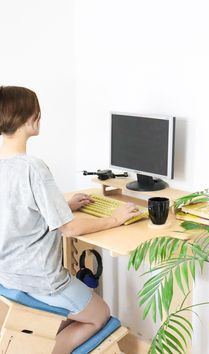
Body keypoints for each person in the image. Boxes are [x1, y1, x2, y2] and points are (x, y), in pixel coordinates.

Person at [0, 86, 140, 354]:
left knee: (71, 315)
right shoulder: (32, 167)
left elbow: (18, 209)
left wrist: (63, 205)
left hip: (7, 276)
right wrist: (114, 219)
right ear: (33, 118)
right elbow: (69, 228)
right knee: (100, 313)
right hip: (40, 280)